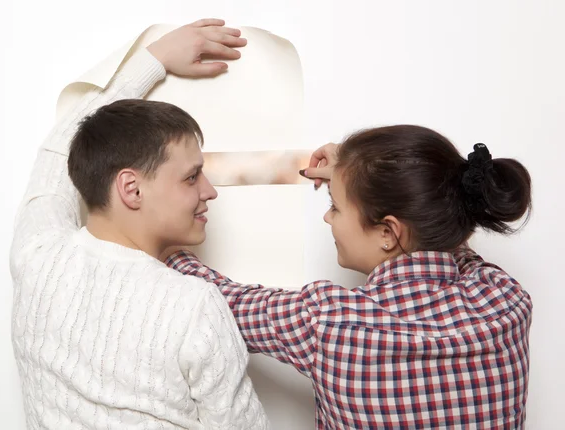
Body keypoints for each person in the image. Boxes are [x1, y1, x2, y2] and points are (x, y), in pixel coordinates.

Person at [165, 125, 533, 429]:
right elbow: (456, 244)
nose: (328, 218)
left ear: (389, 232)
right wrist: (356, 170)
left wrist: (165, 240)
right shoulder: (506, 301)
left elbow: (223, 300)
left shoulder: (329, 320)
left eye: (335, 206)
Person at [10, 19, 269, 430]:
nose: (210, 191)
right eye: (191, 177)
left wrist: (156, 59)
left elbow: (56, 154)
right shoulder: (195, 305)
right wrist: (155, 60)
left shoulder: (36, 257)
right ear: (131, 188)